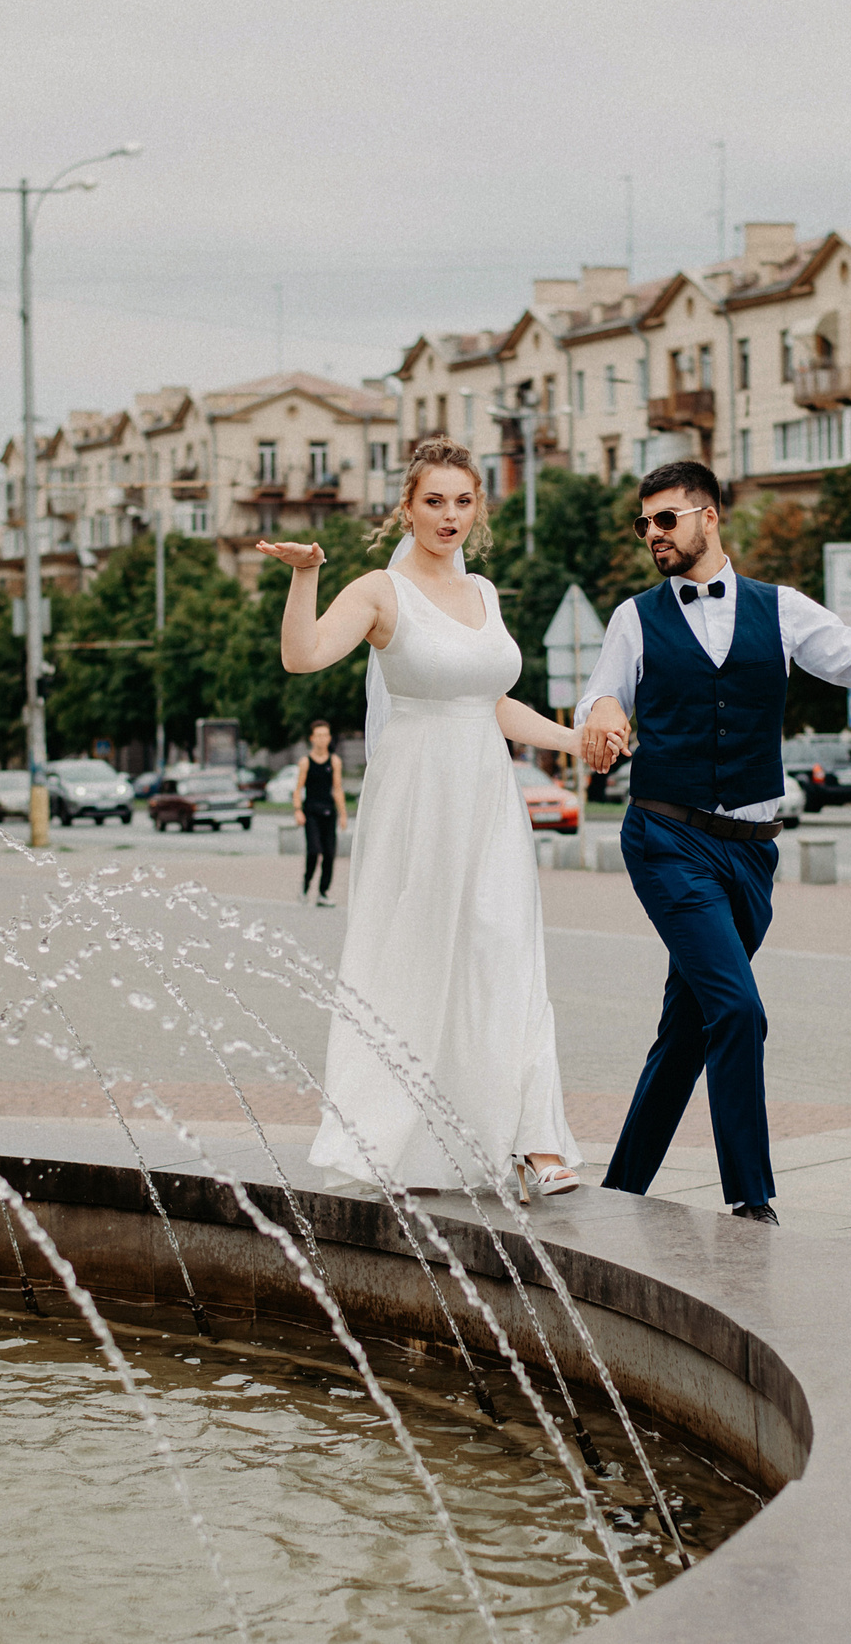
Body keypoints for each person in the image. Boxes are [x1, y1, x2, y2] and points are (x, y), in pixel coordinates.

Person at [577, 460, 851, 1226]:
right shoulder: (635, 618)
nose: (652, 536)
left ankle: (619, 1194)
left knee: (687, 1026)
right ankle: (751, 1199)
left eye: (665, 520)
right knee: (737, 1010)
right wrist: (603, 715)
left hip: (752, 852)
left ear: (709, 517)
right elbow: (600, 690)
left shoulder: (781, 608)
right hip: (666, 837)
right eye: (643, 525)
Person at [261, 435, 586, 1200]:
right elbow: (302, 655)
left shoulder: (487, 595)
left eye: (463, 501)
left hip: (488, 798)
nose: (450, 515)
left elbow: (492, 702)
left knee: (506, 951)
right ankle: (402, 1134)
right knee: (416, 961)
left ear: (479, 509)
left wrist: (573, 737)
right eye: (434, 500)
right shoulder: (382, 590)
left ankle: (534, 1139)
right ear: (406, 506)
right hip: (417, 803)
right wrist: (307, 575)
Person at [293, 719, 346, 906]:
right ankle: (305, 885)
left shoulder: (335, 761)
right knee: (314, 851)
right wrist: (298, 810)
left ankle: (323, 893)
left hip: (329, 812)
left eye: (325, 735)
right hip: (311, 813)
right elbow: (298, 789)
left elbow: (337, 788)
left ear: (329, 738)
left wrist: (343, 814)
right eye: (319, 735)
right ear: (312, 738)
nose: (322, 739)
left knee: (330, 854)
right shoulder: (305, 762)